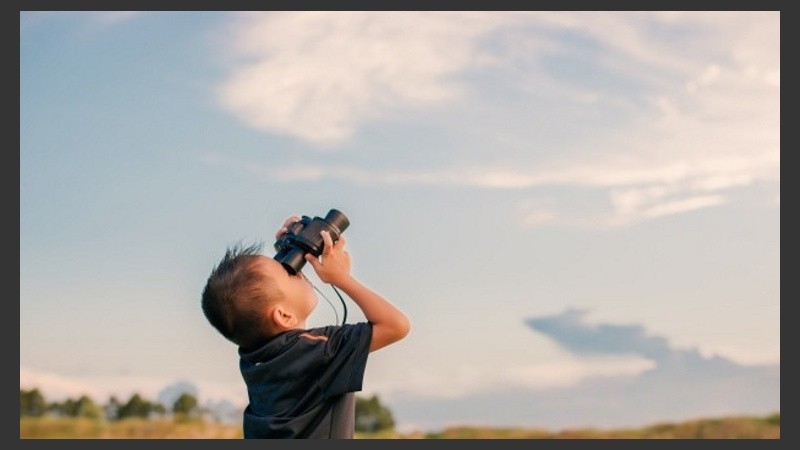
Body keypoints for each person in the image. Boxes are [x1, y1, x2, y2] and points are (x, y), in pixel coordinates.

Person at [201, 215, 411, 439]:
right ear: (283, 315)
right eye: (289, 273)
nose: (298, 271)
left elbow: (256, 299)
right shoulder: (321, 350)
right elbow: (396, 325)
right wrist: (341, 278)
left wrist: (284, 254)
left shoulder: (252, 359)